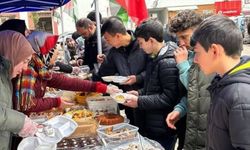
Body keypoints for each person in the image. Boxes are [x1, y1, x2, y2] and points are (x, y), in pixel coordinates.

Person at [12, 31, 120, 113]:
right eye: (54, 49)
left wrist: (101, 87)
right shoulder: (28, 69)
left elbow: (66, 82)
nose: (57, 54)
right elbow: (27, 104)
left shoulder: (40, 68)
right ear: (45, 53)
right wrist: (56, 102)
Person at [123, 19, 186, 150]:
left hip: (162, 128)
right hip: (153, 123)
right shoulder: (155, 56)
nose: (140, 47)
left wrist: (139, 101)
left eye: (141, 43)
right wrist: (139, 93)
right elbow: (153, 87)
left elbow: (168, 99)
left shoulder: (167, 62)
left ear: (151, 40)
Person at [192, 14, 250, 149]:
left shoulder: (240, 96)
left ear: (214, 50)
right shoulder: (224, 82)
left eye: (197, 52)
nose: (195, 59)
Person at [165, 10, 214, 150]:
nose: (181, 43)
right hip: (191, 127)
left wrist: (182, 65)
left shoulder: (210, 54)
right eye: (178, 38)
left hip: (208, 131)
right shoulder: (191, 54)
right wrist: (180, 109)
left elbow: (201, 90)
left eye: (184, 37)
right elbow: (192, 96)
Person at [96, 16, 147, 127]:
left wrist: (138, 78)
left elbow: (153, 70)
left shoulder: (142, 45)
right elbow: (103, 74)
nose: (108, 43)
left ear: (118, 36)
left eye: (108, 39)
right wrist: (104, 61)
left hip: (146, 99)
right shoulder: (114, 52)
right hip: (127, 100)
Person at [0, 30, 37, 150]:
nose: (25, 67)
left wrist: (16, 128)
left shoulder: (5, 77)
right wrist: (21, 123)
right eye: (24, 61)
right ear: (12, 54)